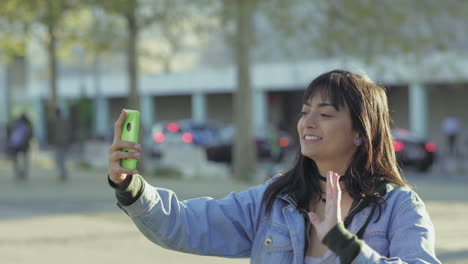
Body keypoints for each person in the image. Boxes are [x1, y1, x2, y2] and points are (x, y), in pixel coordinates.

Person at [107, 70, 441, 263]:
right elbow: (182, 224)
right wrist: (128, 184)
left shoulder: (398, 207)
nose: (307, 122)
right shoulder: (275, 199)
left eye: (325, 114)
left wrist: (346, 245)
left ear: (360, 132)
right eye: (304, 111)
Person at [7, 114, 33, 182]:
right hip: (25, 146)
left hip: (16, 145)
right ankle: (24, 172)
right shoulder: (27, 125)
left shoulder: (15, 125)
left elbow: (10, 135)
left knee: (16, 160)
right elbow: (30, 136)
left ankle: (17, 172)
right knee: (25, 159)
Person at [53, 108, 71, 182]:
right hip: (65, 142)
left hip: (58, 142)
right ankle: (63, 171)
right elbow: (69, 130)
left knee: (59, 158)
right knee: (62, 157)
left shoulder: (55, 122)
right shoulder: (65, 121)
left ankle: (62, 171)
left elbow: (53, 133)